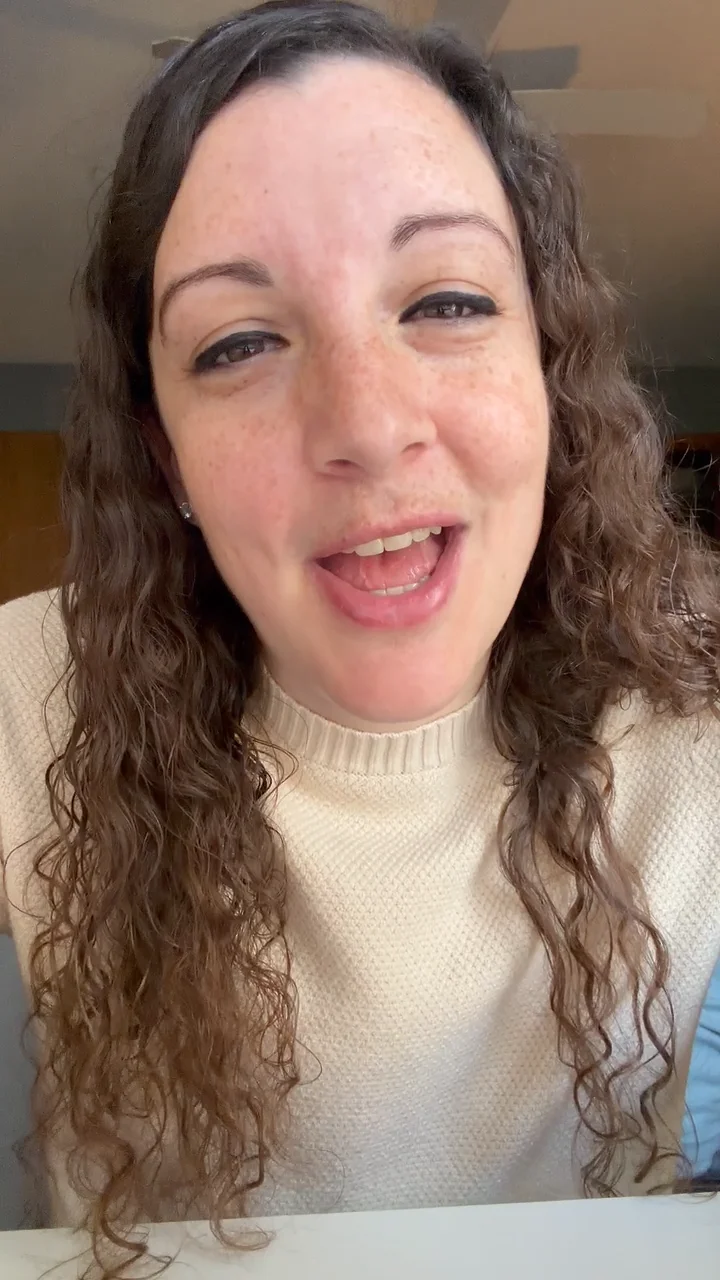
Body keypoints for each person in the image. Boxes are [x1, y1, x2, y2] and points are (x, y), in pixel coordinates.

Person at [0, 1, 719, 1274]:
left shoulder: (698, 706)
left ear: (547, 365)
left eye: (445, 300)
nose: (368, 426)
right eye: (239, 341)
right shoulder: (24, 696)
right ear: (165, 454)